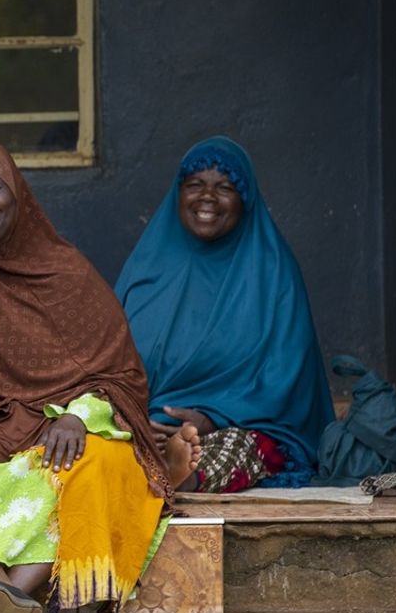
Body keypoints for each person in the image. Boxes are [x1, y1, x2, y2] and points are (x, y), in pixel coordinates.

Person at [0, 140, 200, 613]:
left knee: (101, 466)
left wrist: (78, 416)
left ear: (17, 195)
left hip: (56, 435)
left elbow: (119, 376)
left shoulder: (66, 273)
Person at [115, 136, 334, 492]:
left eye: (226, 187)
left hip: (238, 426)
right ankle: (159, 461)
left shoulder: (273, 272)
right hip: (146, 424)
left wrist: (211, 418)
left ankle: (180, 473)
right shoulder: (147, 266)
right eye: (195, 185)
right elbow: (109, 357)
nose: (207, 198)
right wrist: (136, 418)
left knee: (235, 450)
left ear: (245, 200)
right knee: (96, 449)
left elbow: (287, 375)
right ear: (178, 194)